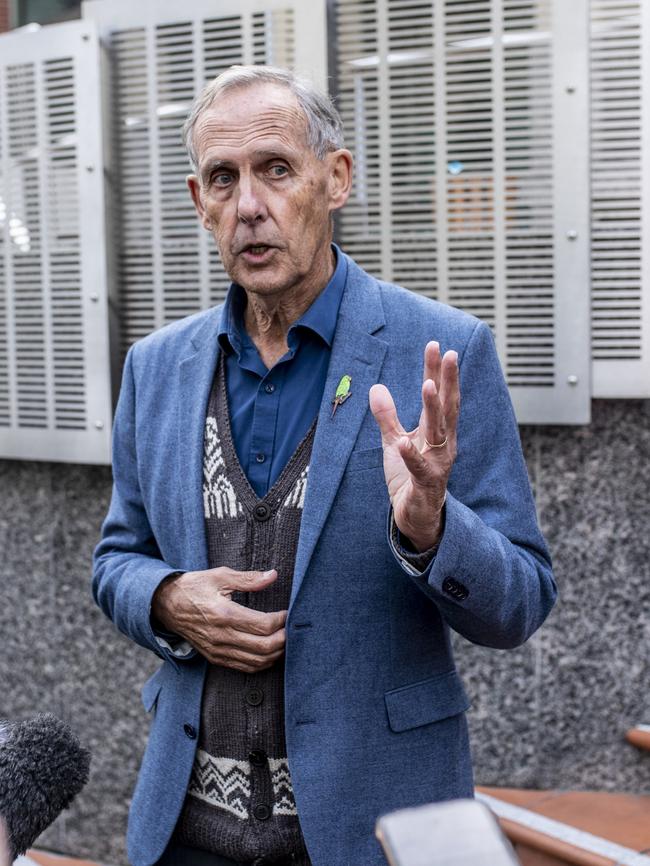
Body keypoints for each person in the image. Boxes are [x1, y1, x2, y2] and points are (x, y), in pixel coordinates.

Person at [93, 65, 556, 866]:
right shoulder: (155, 368)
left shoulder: (440, 353)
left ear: (335, 179)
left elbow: (520, 602)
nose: (249, 206)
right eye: (222, 178)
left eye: (276, 169)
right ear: (198, 201)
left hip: (365, 832)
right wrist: (166, 598)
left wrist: (431, 529)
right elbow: (114, 560)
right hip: (185, 833)